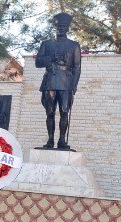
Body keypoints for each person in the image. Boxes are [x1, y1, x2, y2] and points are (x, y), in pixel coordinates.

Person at [35, 12, 82, 150]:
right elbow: (38, 62)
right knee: (50, 112)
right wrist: (50, 58)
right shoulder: (46, 44)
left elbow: (77, 68)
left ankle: (62, 140)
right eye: (59, 26)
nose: (61, 28)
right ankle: (50, 140)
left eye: (64, 26)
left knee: (64, 111)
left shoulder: (74, 45)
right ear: (55, 27)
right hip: (50, 79)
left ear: (67, 28)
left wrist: (73, 86)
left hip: (66, 82)